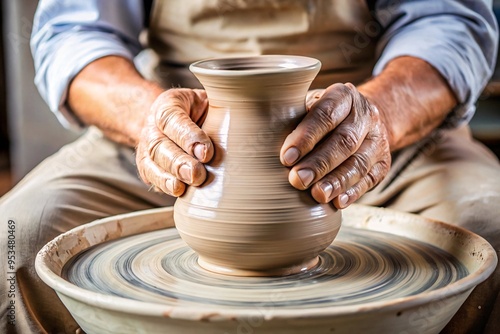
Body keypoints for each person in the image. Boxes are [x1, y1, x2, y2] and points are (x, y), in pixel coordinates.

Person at [1, 0, 499, 333]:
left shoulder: (375, 120)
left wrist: (381, 116)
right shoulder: (161, 123)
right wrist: (148, 119)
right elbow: (74, 32)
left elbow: (450, 23)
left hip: (371, 120)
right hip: (174, 126)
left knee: (490, 233)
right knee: (16, 241)